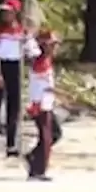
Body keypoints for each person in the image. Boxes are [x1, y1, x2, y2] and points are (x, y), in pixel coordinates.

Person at [0, 0, 28, 159]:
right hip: (0, 66)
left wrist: (27, 40)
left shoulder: (21, 31)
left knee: (14, 106)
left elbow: (30, 52)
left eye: (8, 12)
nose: (5, 15)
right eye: (3, 12)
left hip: (15, 67)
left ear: (15, 13)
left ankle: (11, 144)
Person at [24, 29, 63, 181]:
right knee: (46, 137)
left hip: (45, 103)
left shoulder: (44, 61)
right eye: (51, 45)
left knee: (55, 134)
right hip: (41, 105)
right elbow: (41, 86)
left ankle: (33, 157)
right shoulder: (41, 62)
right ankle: (38, 170)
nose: (54, 48)